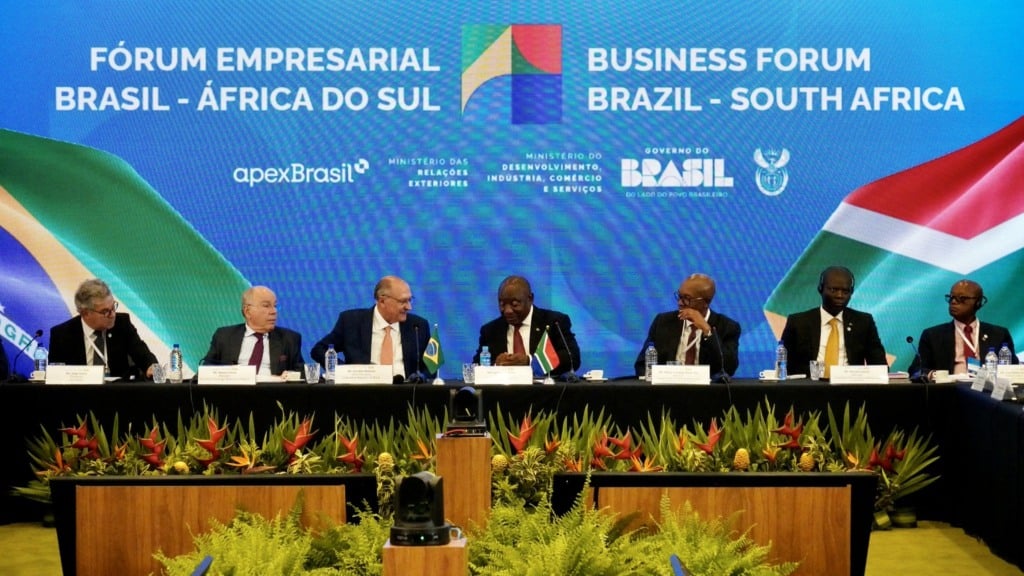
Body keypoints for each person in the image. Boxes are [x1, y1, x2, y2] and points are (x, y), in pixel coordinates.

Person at [310, 276, 431, 381]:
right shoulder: (351, 322)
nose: (409, 307)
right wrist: (344, 372)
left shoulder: (418, 326)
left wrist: (421, 377)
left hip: (407, 393)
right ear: (382, 301)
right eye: (403, 301)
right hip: (363, 393)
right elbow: (319, 350)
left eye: (410, 300)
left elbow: (430, 366)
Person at [780, 266, 887, 378]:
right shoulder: (798, 322)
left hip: (850, 386)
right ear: (820, 289)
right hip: (810, 386)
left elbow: (880, 367)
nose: (839, 296)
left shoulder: (863, 322)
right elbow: (784, 367)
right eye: (833, 290)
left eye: (845, 291)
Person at [633, 273, 741, 380]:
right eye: (679, 296)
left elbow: (729, 368)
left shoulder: (728, 327)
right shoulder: (663, 322)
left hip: (707, 389)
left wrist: (707, 331)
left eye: (687, 298)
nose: (680, 303)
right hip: (667, 387)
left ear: (706, 302)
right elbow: (642, 364)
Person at [48, 278, 158, 380]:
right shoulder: (62, 334)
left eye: (113, 307)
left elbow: (142, 353)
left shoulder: (122, 324)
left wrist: (152, 366)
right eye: (105, 311)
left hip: (117, 390)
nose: (112, 315)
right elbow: (55, 375)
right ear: (85, 313)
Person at [909, 279, 1017, 381]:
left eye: (961, 298)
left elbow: (1013, 369)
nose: (953, 302)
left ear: (978, 302)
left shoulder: (999, 334)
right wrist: (937, 375)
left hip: (987, 390)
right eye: (951, 297)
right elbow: (916, 370)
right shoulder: (932, 335)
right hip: (949, 390)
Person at [473, 275, 581, 377]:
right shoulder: (490, 330)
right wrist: (496, 364)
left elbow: (572, 358)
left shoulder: (554, 322)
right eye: (502, 304)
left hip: (543, 389)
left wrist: (528, 361)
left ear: (530, 299)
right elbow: (476, 366)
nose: (507, 310)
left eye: (515, 304)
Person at [201, 285, 304, 376]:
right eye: (266, 306)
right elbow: (206, 369)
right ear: (247, 311)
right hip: (233, 389)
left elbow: (301, 373)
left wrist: (289, 375)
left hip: (272, 390)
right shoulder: (224, 335)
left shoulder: (289, 339)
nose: (274, 311)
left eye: (275, 306)